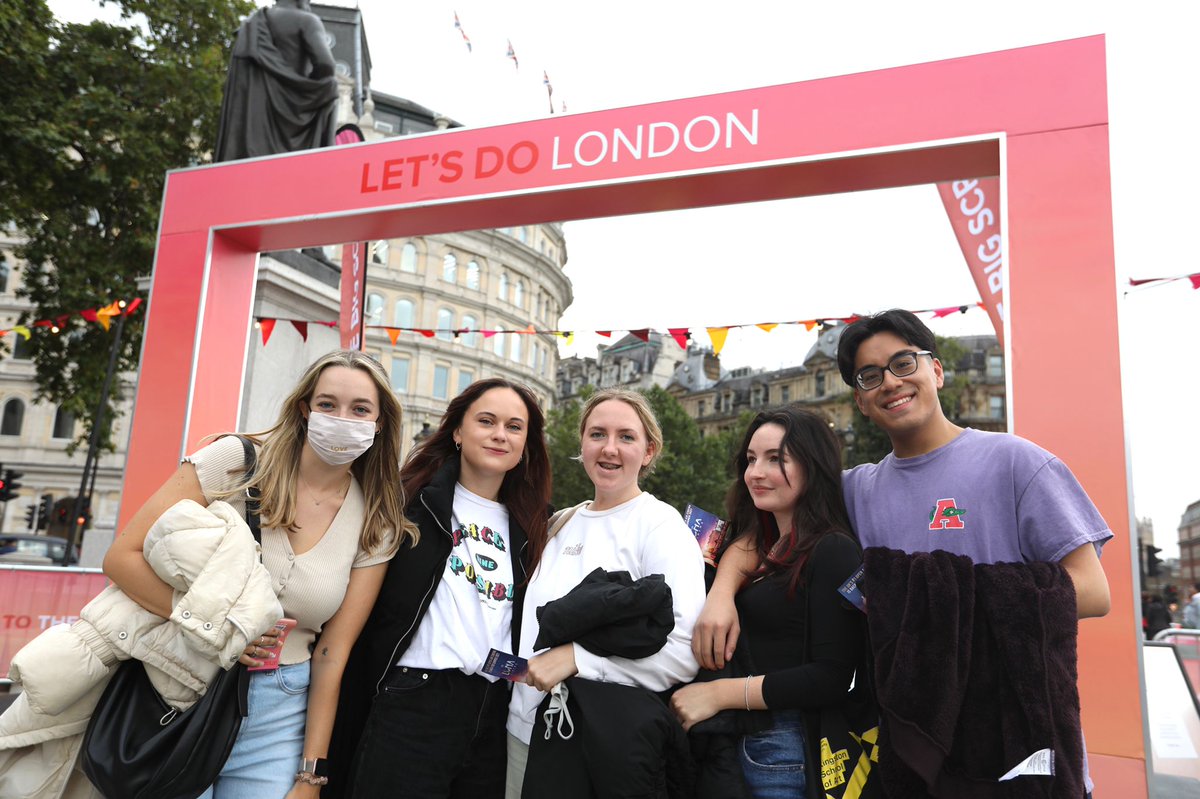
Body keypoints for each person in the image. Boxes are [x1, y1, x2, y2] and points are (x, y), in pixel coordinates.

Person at [697, 310, 1111, 797]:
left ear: (936, 369)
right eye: (870, 376)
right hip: (908, 743)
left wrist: (942, 597)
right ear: (861, 401)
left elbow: (1092, 591)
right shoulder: (853, 490)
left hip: (1012, 735)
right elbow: (761, 530)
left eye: (903, 364)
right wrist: (722, 592)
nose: (889, 382)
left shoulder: (1018, 462)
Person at [103, 349, 414, 798]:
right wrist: (217, 628)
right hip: (180, 686)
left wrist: (310, 775)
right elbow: (121, 558)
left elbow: (333, 652)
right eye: (327, 405)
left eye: (360, 409)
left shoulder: (377, 521)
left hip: (281, 709)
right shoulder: (234, 460)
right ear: (305, 409)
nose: (341, 418)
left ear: (380, 422)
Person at [329, 378, 551, 799]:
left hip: (492, 705)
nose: (500, 434)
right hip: (414, 698)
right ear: (457, 431)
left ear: (527, 444)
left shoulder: (537, 525)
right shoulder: (407, 502)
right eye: (486, 421)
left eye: (514, 426)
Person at [506, 387, 707, 798]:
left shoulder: (661, 526)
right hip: (520, 733)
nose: (609, 448)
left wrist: (577, 659)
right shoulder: (558, 523)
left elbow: (682, 653)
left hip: (597, 746)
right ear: (581, 443)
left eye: (626, 437)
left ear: (649, 451)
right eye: (597, 434)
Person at [671, 407, 866, 799]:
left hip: (784, 747)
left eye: (776, 459)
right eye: (751, 459)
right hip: (730, 741)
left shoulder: (834, 550)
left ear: (814, 465)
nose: (755, 472)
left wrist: (717, 695)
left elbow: (832, 676)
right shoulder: (758, 544)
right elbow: (742, 541)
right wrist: (721, 593)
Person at [215, 0, 339, 162]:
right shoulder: (307, 20)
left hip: (253, 129)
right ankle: (323, 163)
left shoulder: (251, 25)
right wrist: (304, 90)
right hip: (293, 117)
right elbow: (326, 65)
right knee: (331, 87)